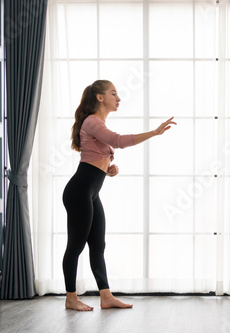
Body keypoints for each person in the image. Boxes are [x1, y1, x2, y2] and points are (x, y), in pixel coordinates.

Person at [63, 79, 176, 311]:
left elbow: (97, 159)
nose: (119, 98)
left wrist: (108, 169)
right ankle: (71, 297)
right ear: (100, 98)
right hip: (79, 191)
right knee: (75, 245)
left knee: (98, 245)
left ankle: (106, 296)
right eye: (113, 93)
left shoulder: (96, 123)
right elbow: (118, 141)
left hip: (90, 192)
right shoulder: (92, 121)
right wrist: (154, 132)